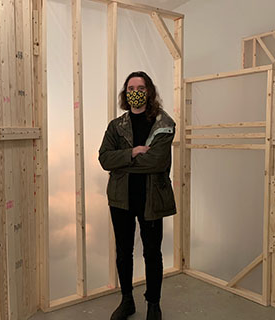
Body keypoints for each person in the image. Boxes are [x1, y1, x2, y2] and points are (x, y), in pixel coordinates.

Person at [98, 71, 176, 320]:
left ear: (149, 91)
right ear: (125, 92)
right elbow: (104, 158)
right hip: (122, 198)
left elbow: (157, 161)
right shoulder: (116, 126)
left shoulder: (164, 123)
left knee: (152, 253)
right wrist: (132, 152)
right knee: (124, 251)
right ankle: (127, 301)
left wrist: (121, 162)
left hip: (152, 198)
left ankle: (154, 304)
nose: (135, 91)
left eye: (140, 87)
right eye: (131, 87)